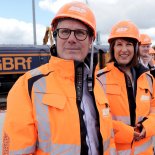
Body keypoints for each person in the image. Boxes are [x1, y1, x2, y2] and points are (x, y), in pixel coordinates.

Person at [2, 1, 115, 155]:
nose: (71, 39)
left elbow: (109, 141)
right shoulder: (27, 86)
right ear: (55, 35)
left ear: (90, 41)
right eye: (65, 31)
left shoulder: (97, 85)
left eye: (80, 33)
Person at [96, 20, 155, 154]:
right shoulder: (99, 80)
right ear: (112, 48)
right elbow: (96, 120)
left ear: (135, 48)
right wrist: (128, 133)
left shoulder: (148, 79)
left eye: (128, 44)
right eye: (119, 44)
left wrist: (148, 127)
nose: (124, 50)